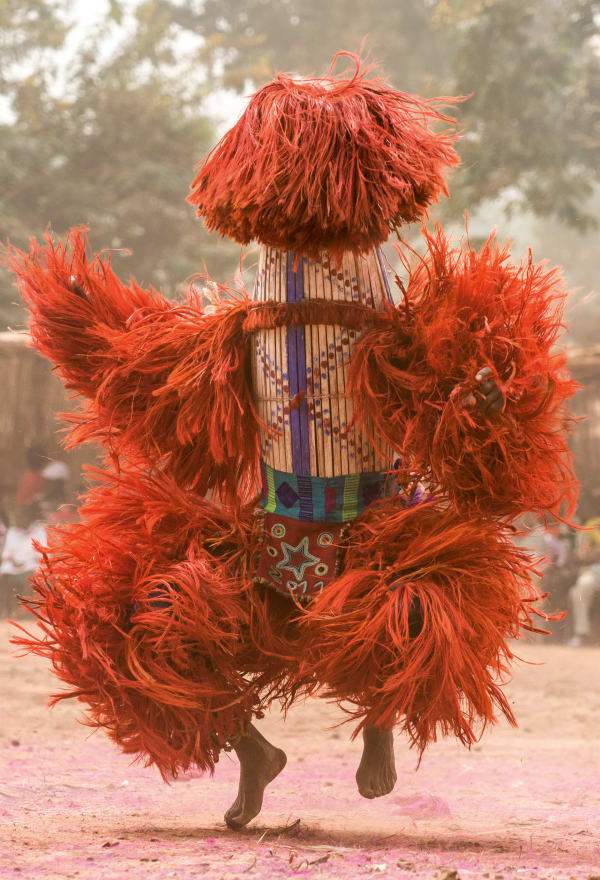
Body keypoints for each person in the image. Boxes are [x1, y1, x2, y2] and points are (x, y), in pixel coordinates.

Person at [5, 53, 577, 829]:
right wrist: (87, 321)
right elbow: (145, 368)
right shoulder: (233, 339)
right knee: (124, 622)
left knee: (414, 616)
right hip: (267, 537)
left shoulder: (402, 332)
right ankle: (251, 749)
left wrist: (490, 394)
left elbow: (472, 386)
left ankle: (377, 723)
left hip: (378, 538)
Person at [568, 518, 600, 646]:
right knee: (579, 590)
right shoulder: (589, 527)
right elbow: (581, 556)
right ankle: (581, 634)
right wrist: (586, 551)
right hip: (594, 571)